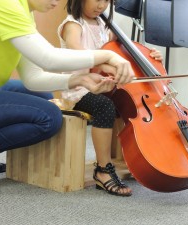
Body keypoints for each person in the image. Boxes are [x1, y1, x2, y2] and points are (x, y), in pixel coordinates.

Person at [0, 0, 135, 193]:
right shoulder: (2, 3)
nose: (56, 2)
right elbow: (48, 58)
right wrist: (107, 56)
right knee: (48, 117)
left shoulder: (24, 13)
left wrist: (80, 80)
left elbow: (33, 78)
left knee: (43, 97)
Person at [57, 0, 163, 196]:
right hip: (78, 88)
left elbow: (127, 53)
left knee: (129, 104)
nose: (101, 5)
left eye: (106, 1)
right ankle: (103, 170)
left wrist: (150, 55)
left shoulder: (106, 27)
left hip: (105, 86)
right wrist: (103, 64)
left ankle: (136, 159)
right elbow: (75, 50)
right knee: (105, 107)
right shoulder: (73, 24)